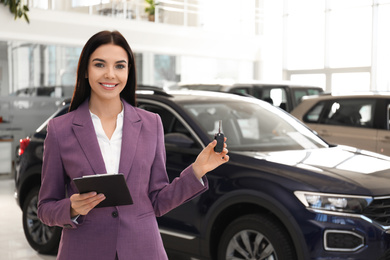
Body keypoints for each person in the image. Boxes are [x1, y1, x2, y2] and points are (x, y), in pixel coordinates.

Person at [37, 30, 229, 260]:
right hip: (83, 251)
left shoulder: (151, 124)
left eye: (120, 66)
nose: (110, 74)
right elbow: (45, 208)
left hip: (143, 250)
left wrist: (198, 170)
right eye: (100, 65)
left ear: (128, 71)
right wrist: (71, 208)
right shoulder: (60, 130)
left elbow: (157, 201)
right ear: (86, 71)